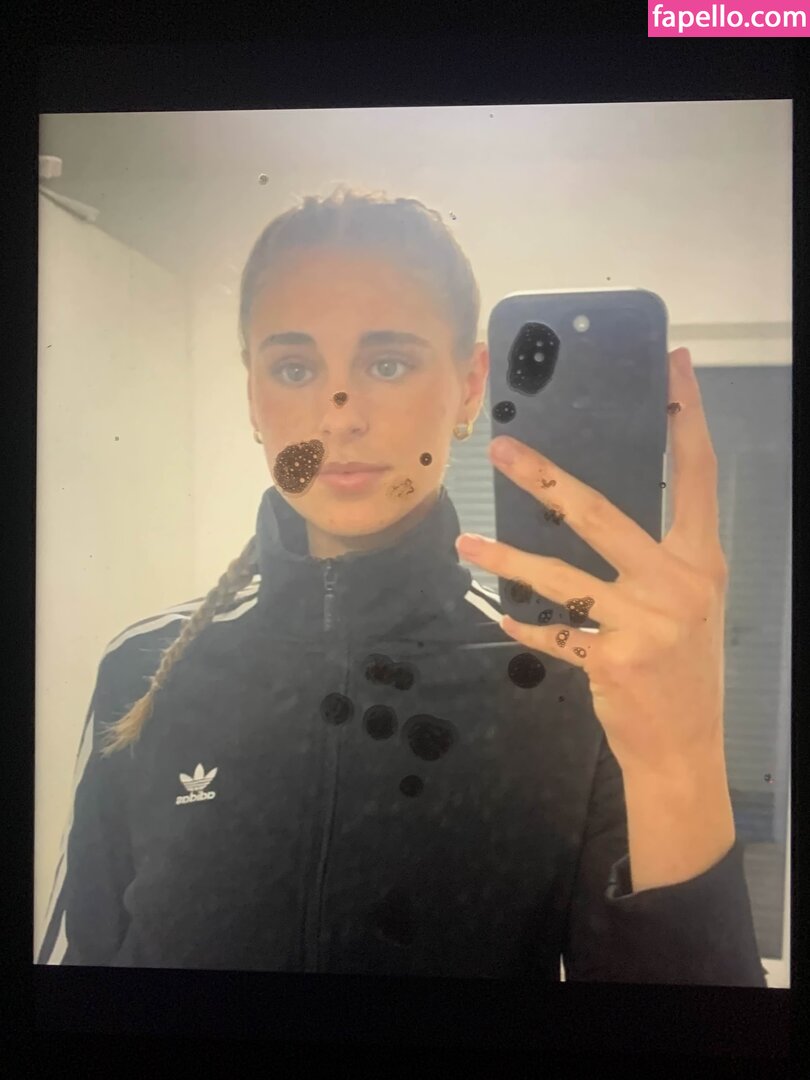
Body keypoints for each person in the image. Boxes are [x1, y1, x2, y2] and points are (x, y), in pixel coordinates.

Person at [38, 188, 765, 984]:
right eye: (294, 368)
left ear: (469, 386)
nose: (339, 416)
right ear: (253, 398)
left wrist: (684, 757)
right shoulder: (146, 671)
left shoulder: (574, 680)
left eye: (388, 363)